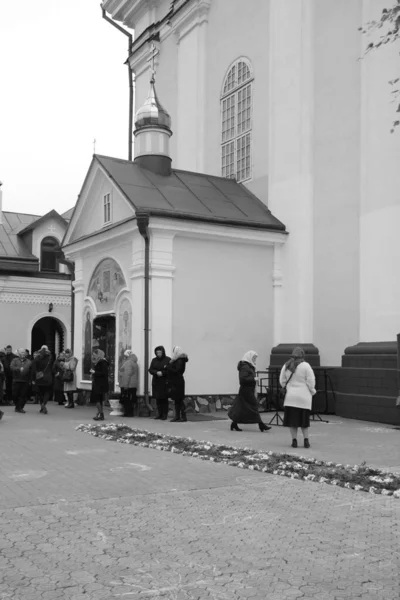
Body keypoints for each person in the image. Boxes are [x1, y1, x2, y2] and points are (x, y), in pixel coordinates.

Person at [280, 347, 316, 449]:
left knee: (293, 421)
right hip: (304, 398)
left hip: (291, 397)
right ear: (302, 355)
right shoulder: (306, 366)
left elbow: (282, 380)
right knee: (304, 421)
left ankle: (294, 441)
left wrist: (287, 387)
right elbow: (311, 381)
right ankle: (306, 440)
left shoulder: (286, 365)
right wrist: (312, 391)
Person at [228, 351, 271, 432]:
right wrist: (253, 379)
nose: (255, 359)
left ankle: (234, 424)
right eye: (254, 358)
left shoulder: (248, 366)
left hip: (247, 390)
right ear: (249, 357)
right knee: (254, 406)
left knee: (241, 408)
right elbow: (242, 379)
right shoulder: (245, 367)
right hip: (246, 390)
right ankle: (261, 425)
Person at [164, 346, 189, 422]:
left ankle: (183, 417)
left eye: (174, 351)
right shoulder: (176, 360)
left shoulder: (180, 360)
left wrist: (168, 367)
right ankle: (177, 416)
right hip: (175, 381)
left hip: (178, 382)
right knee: (176, 400)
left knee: (179, 400)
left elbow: (177, 371)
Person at [149, 346, 170, 420]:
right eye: (157, 352)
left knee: (164, 399)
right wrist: (156, 372)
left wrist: (163, 373)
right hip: (156, 381)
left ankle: (165, 414)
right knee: (158, 399)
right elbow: (150, 369)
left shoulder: (167, 359)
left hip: (164, 382)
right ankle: (159, 414)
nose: (158, 354)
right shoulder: (154, 360)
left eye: (160, 352)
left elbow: (170, 370)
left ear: (163, 352)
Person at [10, 349, 35, 414]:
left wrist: (31, 380)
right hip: (16, 380)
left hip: (25, 381)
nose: (23, 354)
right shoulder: (15, 360)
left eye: (24, 353)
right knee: (14, 395)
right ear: (19, 354)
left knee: (23, 395)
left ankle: (20, 408)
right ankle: (17, 406)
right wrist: (18, 369)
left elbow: (31, 371)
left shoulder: (29, 361)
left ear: (26, 354)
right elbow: (11, 367)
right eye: (21, 353)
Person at [118, 350, 138, 417]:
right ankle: (130, 413)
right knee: (131, 399)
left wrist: (125, 385)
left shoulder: (128, 363)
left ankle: (127, 413)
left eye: (125, 356)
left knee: (127, 400)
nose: (124, 357)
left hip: (128, 384)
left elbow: (127, 374)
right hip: (133, 384)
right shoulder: (134, 362)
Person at [90, 349, 109, 421]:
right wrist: (93, 374)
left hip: (100, 384)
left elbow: (104, 373)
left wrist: (95, 372)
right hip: (98, 383)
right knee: (99, 400)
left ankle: (101, 415)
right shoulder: (98, 362)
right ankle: (99, 413)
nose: (93, 356)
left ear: (99, 355)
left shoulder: (102, 362)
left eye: (95, 355)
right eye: (93, 355)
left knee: (97, 399)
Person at [34, 345, 53, 414]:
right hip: (48, 377)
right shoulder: (50, 357)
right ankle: (43, 404)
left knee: (40, 393)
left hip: (39, 377)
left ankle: (41, 405)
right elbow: (52, 367)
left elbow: (34, 366)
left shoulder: (37, 358)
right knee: (47, 392)